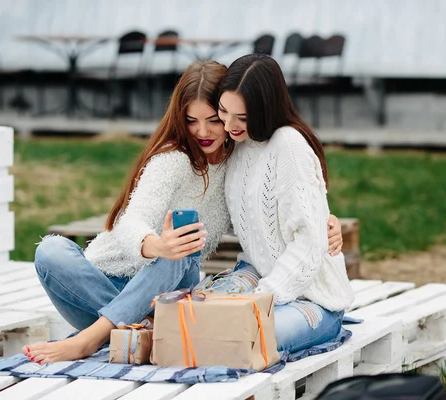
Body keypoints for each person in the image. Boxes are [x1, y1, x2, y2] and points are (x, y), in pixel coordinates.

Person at [22, 60, 344, 364]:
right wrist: (155, 245)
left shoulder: (241, 157)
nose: (204, 132)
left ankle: (112, 336)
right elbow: (129, 221)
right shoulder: (174, 160)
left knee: (186, 250)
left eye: (214, 120)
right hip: (104, 286)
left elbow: (274, 208)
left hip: (168, 289)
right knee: (51, 250)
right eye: (192, 121)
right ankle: (135, 333)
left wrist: (322, 223)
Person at [213, 54, 355, 353]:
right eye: (224, 112)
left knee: (243, 338)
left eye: (242, 117)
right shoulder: (239, 146)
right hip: (260, 277)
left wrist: (263, 298)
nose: (229, 125)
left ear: (265, 109)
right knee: (200, 316)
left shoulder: (288, 146)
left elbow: (308, 243)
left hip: (312, 298)